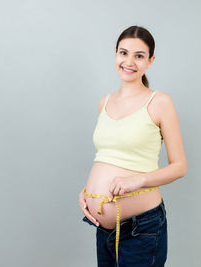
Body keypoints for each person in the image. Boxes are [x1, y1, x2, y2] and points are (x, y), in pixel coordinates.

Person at [78, 25, 187, 267]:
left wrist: (137, 181)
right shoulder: (103, 102)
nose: (129, 61)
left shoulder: (159, 102)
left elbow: (179, 166)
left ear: (150, 61)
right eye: (123, 53)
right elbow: (107, 156)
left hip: (141, 229)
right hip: (104, 230)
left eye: (139, 56)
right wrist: (87, 191)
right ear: (115, 54)